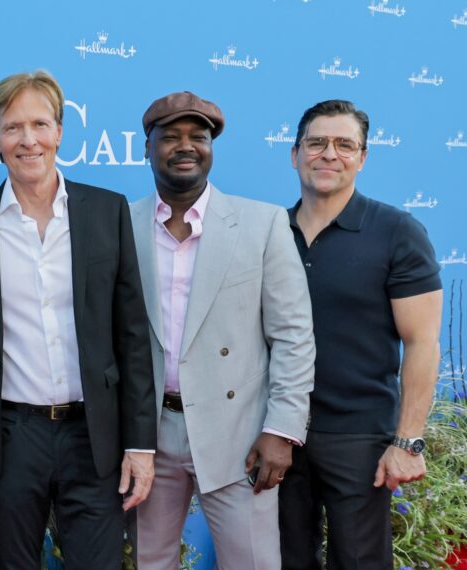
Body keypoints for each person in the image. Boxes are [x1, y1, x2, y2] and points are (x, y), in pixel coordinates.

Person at [0, 70, 156, 570]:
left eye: (40, 123)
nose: (28, 139)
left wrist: (140, 445)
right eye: (12, 127)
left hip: (93, 436)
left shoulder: (106, 211)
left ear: (60, 131)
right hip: (12, 435)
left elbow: (132, 334)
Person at [131, 91, 316, 569]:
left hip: (239, 432)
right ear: (146, 146)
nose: (185, 146)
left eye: (199, 136)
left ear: (212, 147)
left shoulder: (262, 223)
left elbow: (293, 336)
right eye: (170, 136)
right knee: (150, 561)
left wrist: (282, 429)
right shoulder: (120, 223)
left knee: (252, 562)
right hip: (148, 431)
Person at [278, 100, 443, 569]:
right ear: (295, 154)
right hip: (280, 436)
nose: (329, 154)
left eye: (344, 144)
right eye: (317, 143)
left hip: (360, 440)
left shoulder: (397, 232)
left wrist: (407, 442)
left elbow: (423, 343)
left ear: (362, 157)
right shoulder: (269, 232)